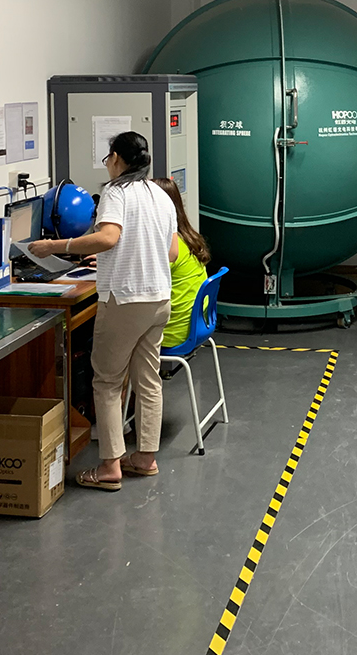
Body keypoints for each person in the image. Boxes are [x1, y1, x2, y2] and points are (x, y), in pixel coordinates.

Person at [29, 132, 177, 491]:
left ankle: (110, 466)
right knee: (148, 380)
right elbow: (171, 253)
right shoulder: (160, 193)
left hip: (125, 300)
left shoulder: (116, 192)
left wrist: (55, 246)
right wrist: (126, 255)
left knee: (108, 382)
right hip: (158, 298)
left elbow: (109, 237)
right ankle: (145, 458)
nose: (107, 163)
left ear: (116, 159)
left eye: (109, 158)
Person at [152, 178, 210, 350]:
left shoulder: (168, 246)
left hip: (172, 333)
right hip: (196, 327)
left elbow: (144, 279)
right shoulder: (188, 237)